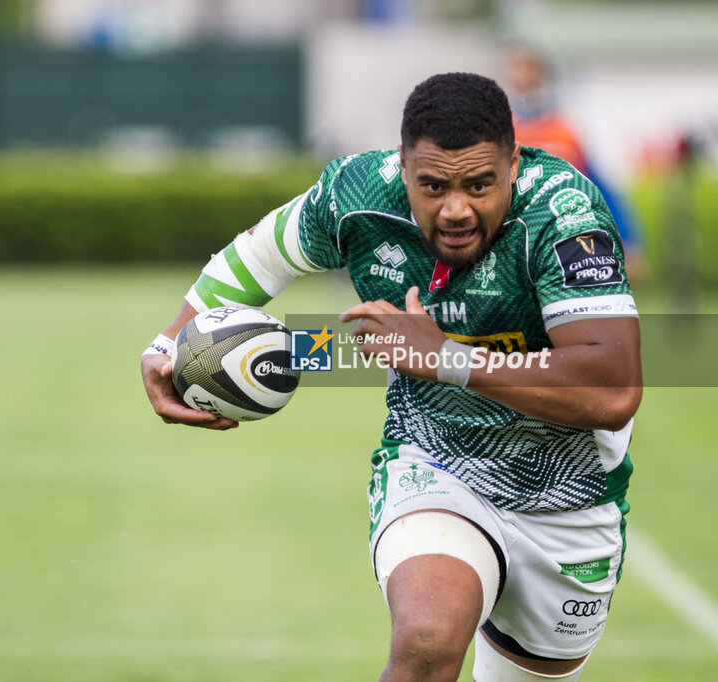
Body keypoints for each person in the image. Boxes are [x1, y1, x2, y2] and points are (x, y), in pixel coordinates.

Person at [141, 72, 642, 680]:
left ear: (515, 164)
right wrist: (168, 345)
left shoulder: (562, 211)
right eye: (432, 186)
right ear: (402, 166)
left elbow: (611, 388)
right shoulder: (356, 193)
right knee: (427, 642)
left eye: (480, 184)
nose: (456, 209)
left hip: (570, 498)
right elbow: (258, 257)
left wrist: (444, 357)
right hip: (435, 463)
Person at [504, 47, 648, 286]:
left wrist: (628, 239)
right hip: (513, 243)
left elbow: (596, 186)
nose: (522, 74)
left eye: (529, 67)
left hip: (562, 237)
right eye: (516, 67)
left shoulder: (565, 130)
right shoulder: (501, 130)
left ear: (542, 74)